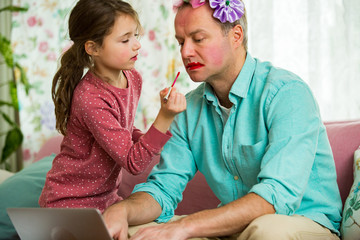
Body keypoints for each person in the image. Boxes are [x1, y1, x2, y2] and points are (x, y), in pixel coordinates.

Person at [103, 0, 342, 239]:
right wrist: (120, 211)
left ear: (236, 35)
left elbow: (276, 196)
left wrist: (184, 227)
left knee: (268, 231)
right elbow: (163, 189)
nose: (185, 52)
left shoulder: (287, 93)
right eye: (180, 42)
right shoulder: (188, 110)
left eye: (198, 39)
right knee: (135, 232)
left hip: (302, 222)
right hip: (235, 229)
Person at [38, 0, 186, 213]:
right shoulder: (90, 98)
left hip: (106, 200)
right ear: (93, 48)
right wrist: (164, 117)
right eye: (125, 40)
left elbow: (122, 130)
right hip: (69, 203)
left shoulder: (132, 77)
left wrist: (145, 138)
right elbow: (133, 163)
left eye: (136, 35)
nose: (137, 44)